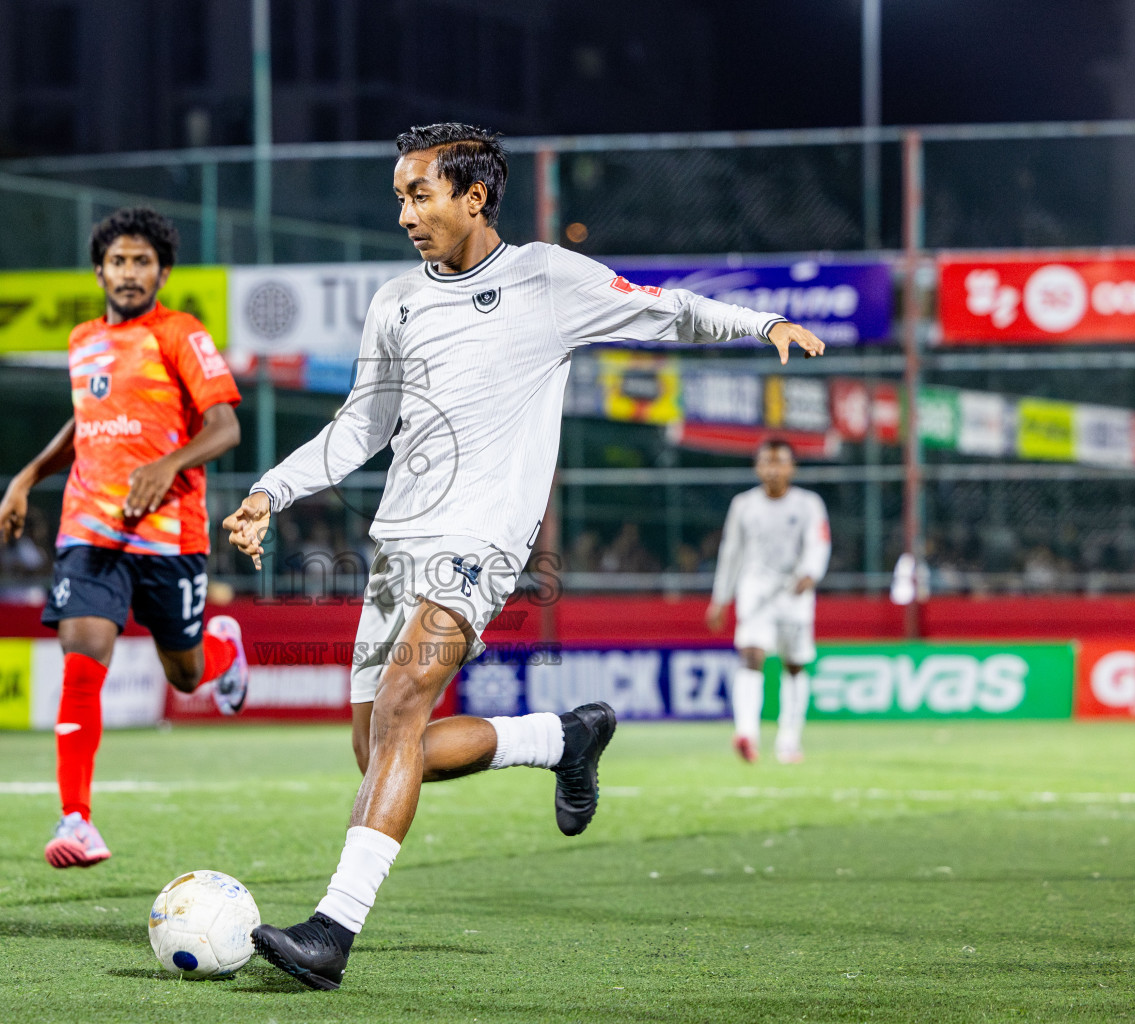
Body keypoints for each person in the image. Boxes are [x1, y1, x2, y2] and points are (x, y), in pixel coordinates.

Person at [223, 123, 827, 990]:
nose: (405, 213)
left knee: (400, 711)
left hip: (480, 543)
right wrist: (270, 491)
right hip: (397, 542)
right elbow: (362, 422)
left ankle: (332, 932)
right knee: (382, 752)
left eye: (419, 193)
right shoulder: (395, 299)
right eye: (399, 196)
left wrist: (762, 320)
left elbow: (669, 308)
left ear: (473, 196)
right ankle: (563, 737)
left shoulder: (546, 277)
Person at [0, 206, 250, 870]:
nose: (129, 272)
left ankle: (224, 648)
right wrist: (25, 477)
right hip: (91, 527)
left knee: (186, 675)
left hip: (170, 534)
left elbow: (224, 429)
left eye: (141, 261)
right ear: (99, 270)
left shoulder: (180, 334)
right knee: (82, 654)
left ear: (161, 271)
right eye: (117, 261)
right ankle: (76, 819)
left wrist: (167, 465)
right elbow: (85, 426)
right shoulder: (81, 341)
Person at [705, 439, 831, 765]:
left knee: (794, 665)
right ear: (758, 467)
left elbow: (819, 543)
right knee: (751, 655)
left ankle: (789, 739)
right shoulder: (744, 505)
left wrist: (810, 573)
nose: (773, 469)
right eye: (767, 462)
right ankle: (747, 733)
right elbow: (731, 552)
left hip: (794, 594)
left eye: (780, 462)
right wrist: (720, 599)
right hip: (756, 592)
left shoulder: (808, 504)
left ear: (792, 467)